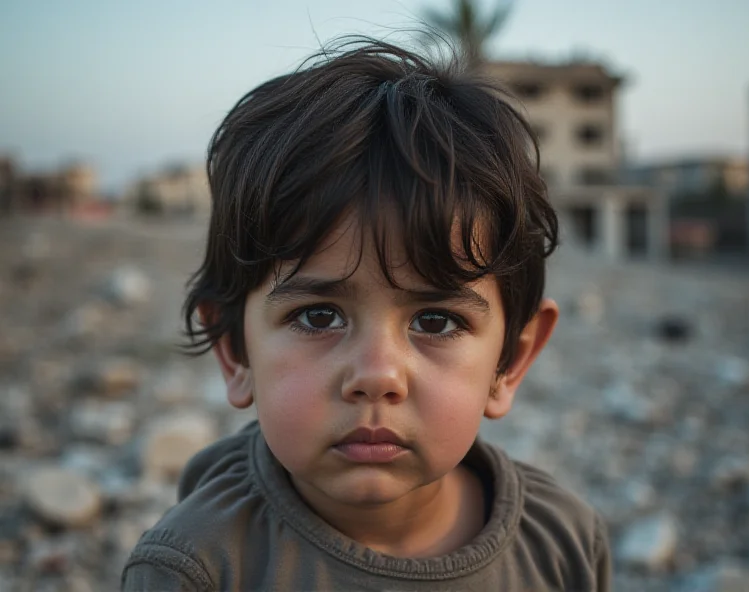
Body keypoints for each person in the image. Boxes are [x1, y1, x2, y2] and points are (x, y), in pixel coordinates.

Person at [121, 38, 611, 591]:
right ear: (234, 350)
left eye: (435, 321)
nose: (377, 375)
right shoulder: (198, 568)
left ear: (510, 361)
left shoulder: (563, 545)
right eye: (319, 316)